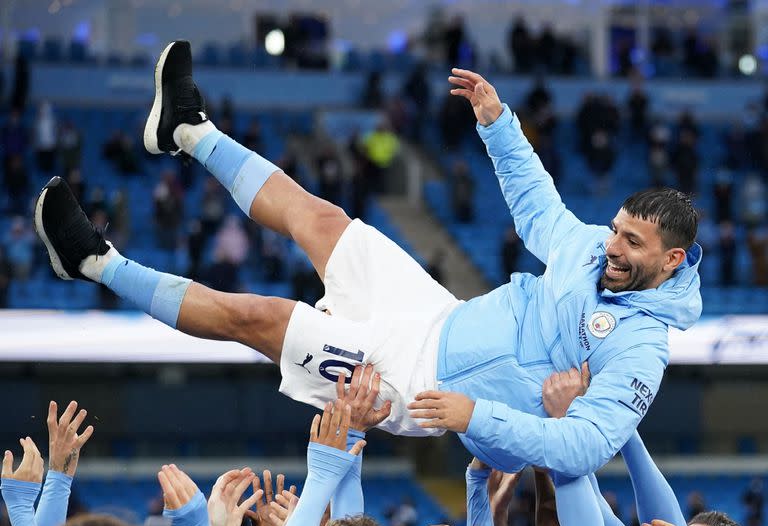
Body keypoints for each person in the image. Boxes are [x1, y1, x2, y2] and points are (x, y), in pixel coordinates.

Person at [35, 43, 701, 478]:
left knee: (259, 315)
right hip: (439, 316)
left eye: (631, 244)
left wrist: (477, 417)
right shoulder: (593, 249)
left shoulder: (641, 348)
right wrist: (499, 125)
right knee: (322, 219)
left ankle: (91, 261)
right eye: (616, 229)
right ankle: (185, 127)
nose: (612, 247)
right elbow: (540, 211)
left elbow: (585, 446)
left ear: (671, 260)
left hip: (418, 385)